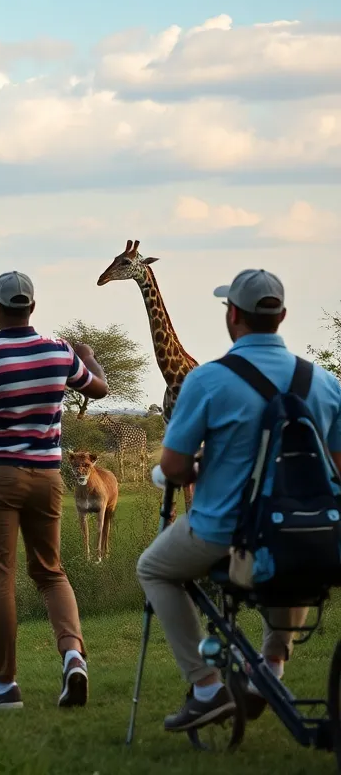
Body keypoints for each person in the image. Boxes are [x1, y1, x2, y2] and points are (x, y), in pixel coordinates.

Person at [137, 269, 341, 732]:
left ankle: (206, 687)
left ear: (232, 315)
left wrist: (197, 468)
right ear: (282, 316)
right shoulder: (326, 384)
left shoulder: (208, 381)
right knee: (296, 550)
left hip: (223, 532)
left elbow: (172, 468)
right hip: (313, 533)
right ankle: (270, 664)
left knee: (153, 569)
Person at [0, 271, 109, 709]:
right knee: (51, 572)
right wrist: (88, 355)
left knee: (0, 577)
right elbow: (98, 387)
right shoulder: (60, 353)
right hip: (46, 479)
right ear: (33, 308)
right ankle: (73, 655)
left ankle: (4, 685)